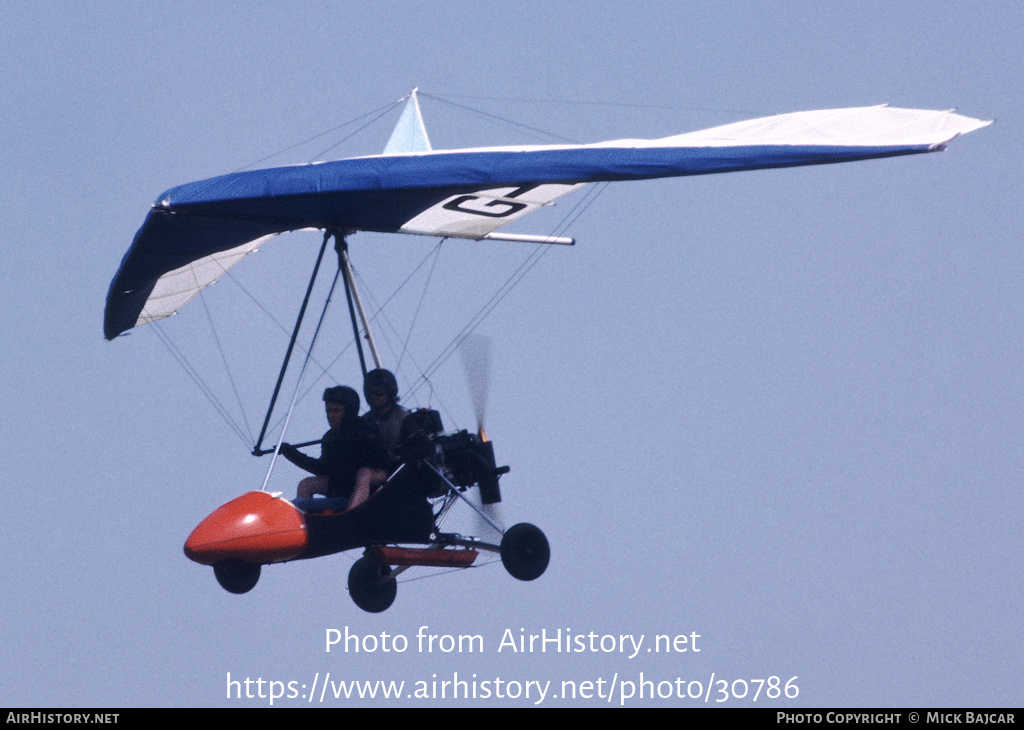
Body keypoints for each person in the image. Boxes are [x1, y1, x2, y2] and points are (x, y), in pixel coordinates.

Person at [280, 386, 383, 509]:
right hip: (339, 491)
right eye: (328, 411)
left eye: (336, 411)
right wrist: (292, 454)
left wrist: (359, 442)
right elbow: (322, 469)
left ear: (349, 412)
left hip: (359, 494)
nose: (330, 416)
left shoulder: (364, 430)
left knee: (299, 504)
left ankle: (351, 514)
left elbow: (378, 460)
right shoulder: (331, 436)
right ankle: (305, 522)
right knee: (306, 484)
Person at [356, 368, 427, 492]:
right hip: (371, 476)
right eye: (369, 393)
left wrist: (395, 455)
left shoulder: (403, 418)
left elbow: (424, 447)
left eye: (378, 393)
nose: (373, 397)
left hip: (396, 478)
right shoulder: (364, 420)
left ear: (390, 393)